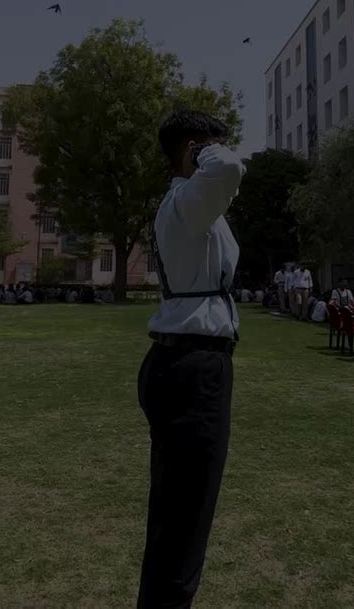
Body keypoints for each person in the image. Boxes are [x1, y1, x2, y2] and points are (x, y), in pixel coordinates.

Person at [136, 109, 246, 609]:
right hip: (194, 369)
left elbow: (227, 177)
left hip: (181, 363)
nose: (224, 149)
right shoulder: (188, 201)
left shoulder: (189, 203)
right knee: (184, 525)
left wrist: (201, 151)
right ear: (192, 150)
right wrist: (205, 150)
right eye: (210, 144)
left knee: (174, 518)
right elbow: (229, 168)